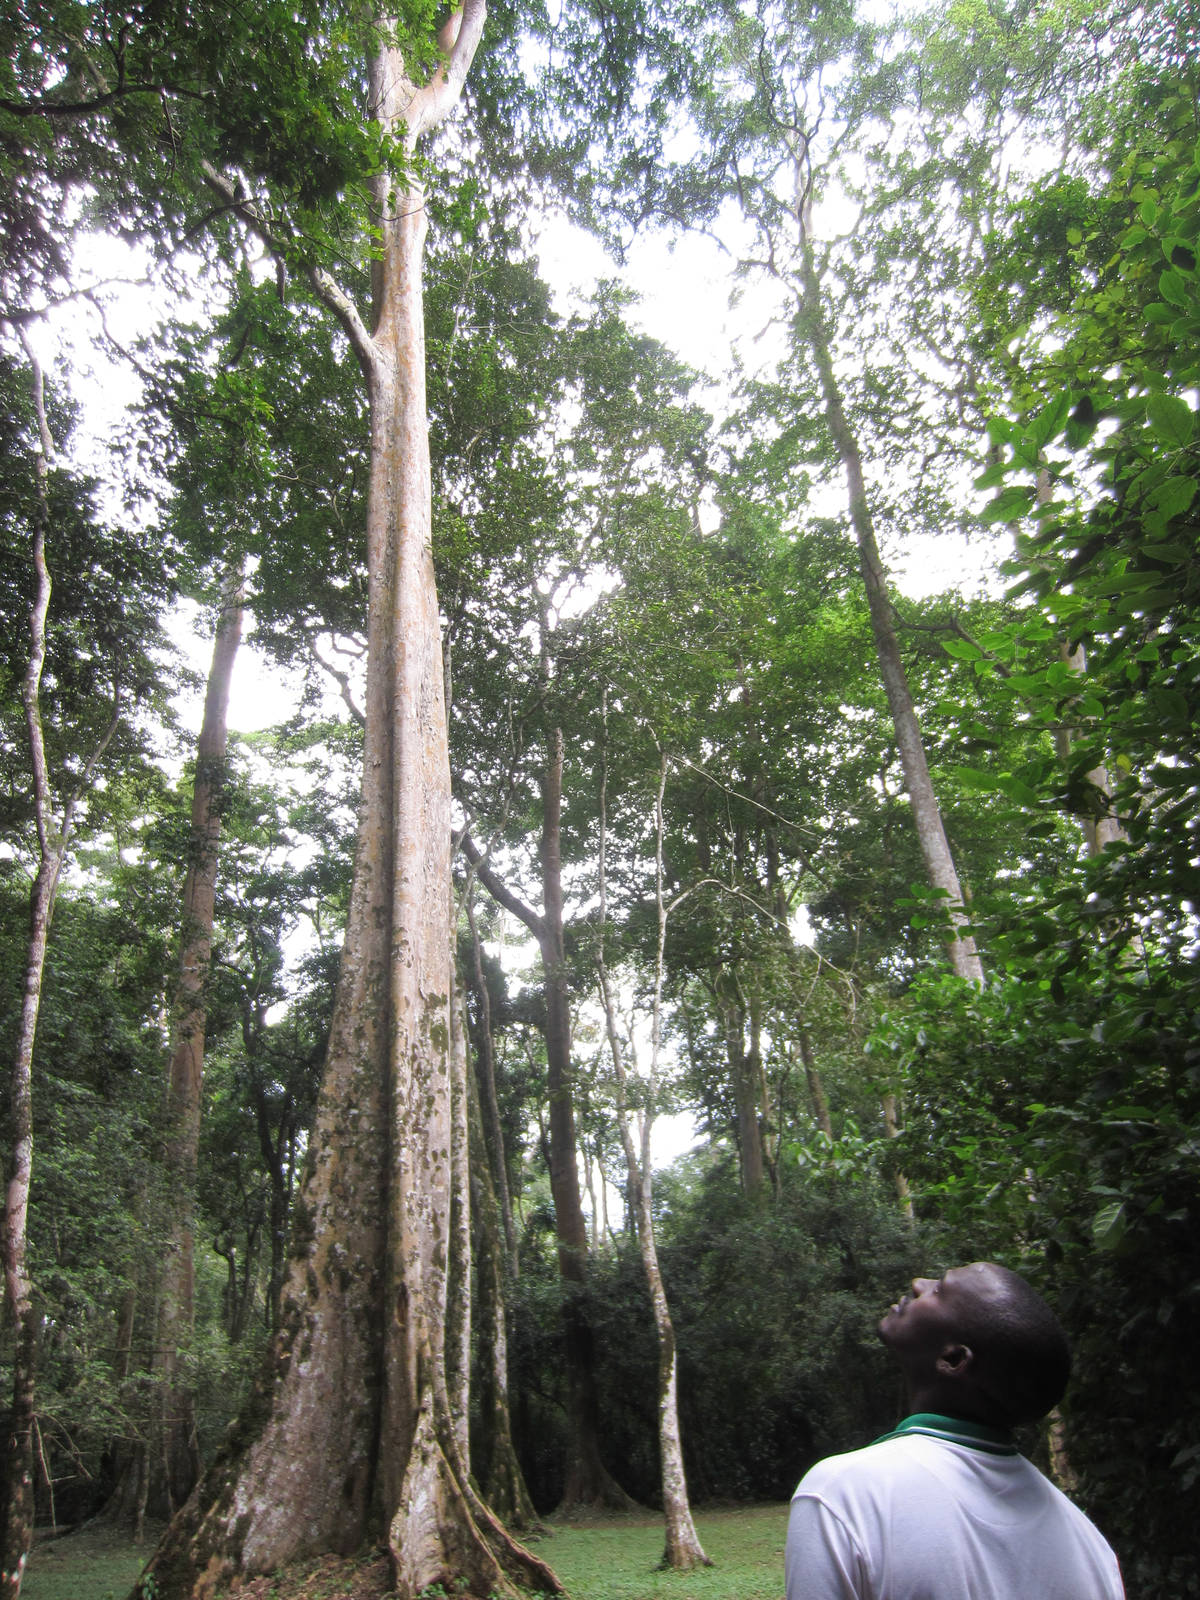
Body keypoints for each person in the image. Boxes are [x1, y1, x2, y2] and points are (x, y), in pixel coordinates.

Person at [785, 1262, 1124, 1599]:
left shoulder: (844, 1495)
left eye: (939, 1290)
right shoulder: (1093, 1550)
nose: (919, 1283)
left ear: (952, 1358)